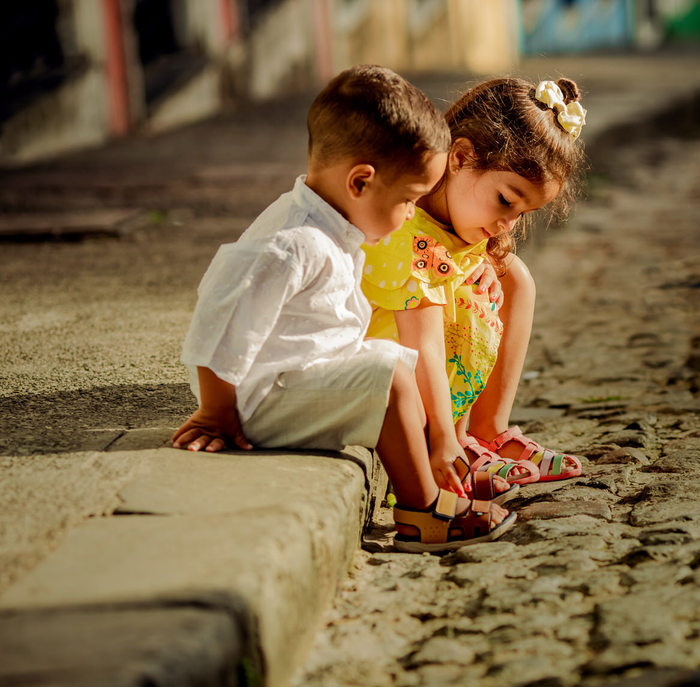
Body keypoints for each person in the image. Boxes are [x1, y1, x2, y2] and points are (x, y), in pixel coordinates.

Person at [172, 65, 514, 553]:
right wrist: (215, 413)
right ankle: (423, 510)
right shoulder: (293, 243)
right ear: (360, 182)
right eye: (407, 202)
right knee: (392, 377)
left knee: (395, 362)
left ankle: (429, 477)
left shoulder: (334, 225)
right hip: (260, 398)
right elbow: (217, 318)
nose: (407, 220)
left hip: (296, 376)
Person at [359, 77, 587, 495]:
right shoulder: (406, 233)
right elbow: (421, 343)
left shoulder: (458, 223)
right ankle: (447, 442)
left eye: (523, 212)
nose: (507, 223)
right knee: (462, 295)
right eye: (506, 200)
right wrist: (444, 441)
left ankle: (488, 430)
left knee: (512, 275)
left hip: (419, 355)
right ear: (460, 157)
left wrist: (481, 262)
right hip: (386, 375)